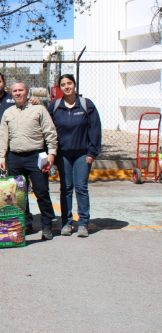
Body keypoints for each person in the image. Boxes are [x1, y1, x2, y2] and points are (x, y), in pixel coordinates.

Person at [0, 81, 58, 240]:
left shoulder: (39, 109)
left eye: (21, 90)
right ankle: (25, 224)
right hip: (15, 157)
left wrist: (52, 153)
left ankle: (47, 225)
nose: (18, 93)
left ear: (27, 91)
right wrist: (1, 157)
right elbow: (3, 136)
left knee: (41, 191)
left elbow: (50, 132)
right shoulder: (8, 112)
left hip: (36, 156)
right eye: (15, 91)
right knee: (19, 194)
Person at [48, 74, 102, 238]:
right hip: (63, 155)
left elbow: (95, 128)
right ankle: (66, 222)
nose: (67, 87)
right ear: (60, 87)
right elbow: (47, 129)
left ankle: (83, 223)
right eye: (63, 84)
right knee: (65, 188)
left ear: (75, 85)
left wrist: (92, 152)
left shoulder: (86, 104)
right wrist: (51, 154)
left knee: (81, 187)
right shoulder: (55, 106)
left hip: (82, 154)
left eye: (69, 83)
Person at [0, 71, 41, 178]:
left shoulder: (14, 99)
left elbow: (28, 106)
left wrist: (35, 100)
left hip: (11, 152)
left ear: (4, 83)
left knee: (13, 184)